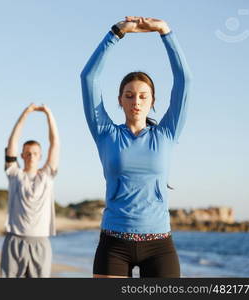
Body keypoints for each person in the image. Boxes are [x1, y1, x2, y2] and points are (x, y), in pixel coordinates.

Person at [80, 16, 192, 278]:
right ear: (119, 100)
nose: (136, 101)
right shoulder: (105, 132)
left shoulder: (167, 132)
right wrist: (115, 33)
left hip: (159, 245)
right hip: (114, 244)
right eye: (129, 95)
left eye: (143, 96)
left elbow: (184, 80)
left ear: (153, 101)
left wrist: (166, 32)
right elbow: (88, 78)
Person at [0, 103, 60, 278]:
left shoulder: (48, 175)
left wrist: (48, 114)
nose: (31, 156)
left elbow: (55, 143)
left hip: (40, 241)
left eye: (35, 153)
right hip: (14, 240)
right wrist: (25, 113)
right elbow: (12, 142)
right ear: (22, 155)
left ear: (41, 156)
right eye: (27, 153)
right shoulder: (14, 174)